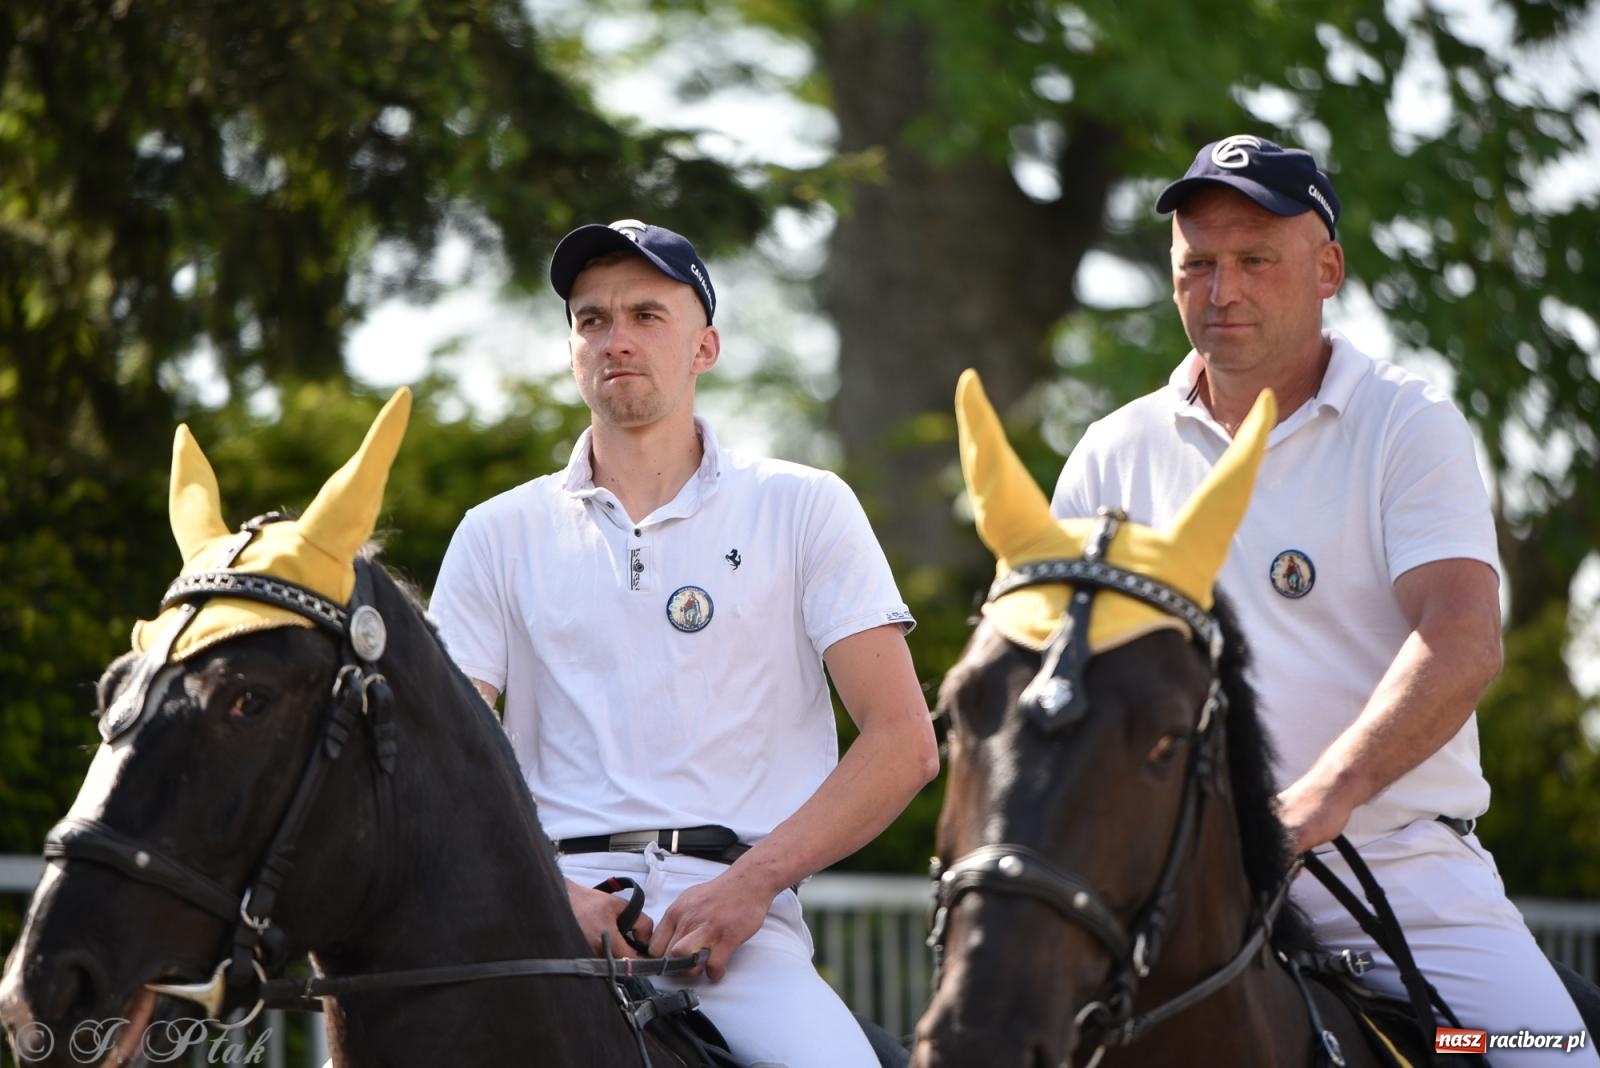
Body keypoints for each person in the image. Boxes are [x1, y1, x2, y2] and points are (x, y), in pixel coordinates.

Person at [1050, 135, 1595, 1063]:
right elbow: (1057, 676)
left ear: (1327, 267)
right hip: (1163, 886)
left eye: (1256, 260)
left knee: (1543, 1052)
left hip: (1391, 867)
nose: (1223, 291)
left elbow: (1462, 638)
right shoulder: (1111, 449)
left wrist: (1312, 806)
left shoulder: (1407, 423)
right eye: (1199, 265)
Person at [429, 218, 939, 1067]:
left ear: (705, 347)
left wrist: (751, 884)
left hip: (741, 935)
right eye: (591, 320)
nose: (615, 338)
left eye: (646, 315)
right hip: (532, 919)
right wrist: (550, 895)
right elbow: (439, 763)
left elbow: (903, 743)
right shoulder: (495, 533)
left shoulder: (803, 506)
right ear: (570, 350)